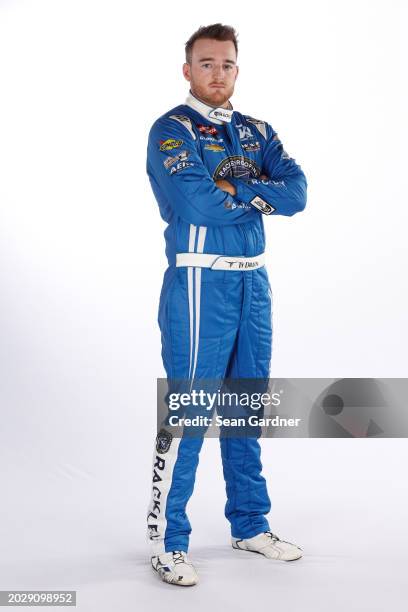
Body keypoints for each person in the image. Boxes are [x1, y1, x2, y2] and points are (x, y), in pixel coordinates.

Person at [146, 23, 307, 587]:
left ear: (238, 70)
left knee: (245, 407)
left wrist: (243, 191)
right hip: (200, 283)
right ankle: (169, 541)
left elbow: (299, 192)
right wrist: (259, 194)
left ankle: (249, 524)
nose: (218, 73)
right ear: (187, 69)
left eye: (227, 64)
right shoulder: (172, 129)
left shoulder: (258, 130)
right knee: (191, 411)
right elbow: (199, 202)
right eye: (207, 63)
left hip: (253, 284)